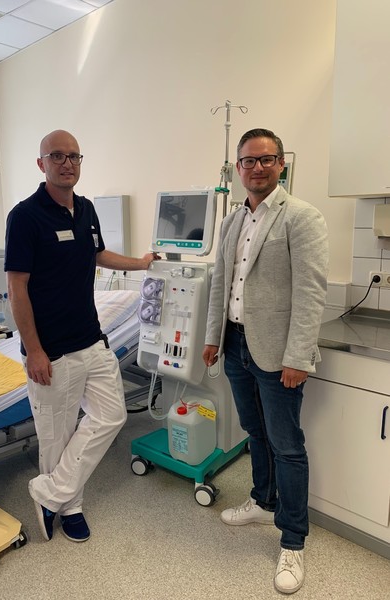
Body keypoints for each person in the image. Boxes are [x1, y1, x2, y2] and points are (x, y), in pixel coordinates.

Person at [5, 129, 159, 543]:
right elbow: (17, 286)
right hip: (51, 350)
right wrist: (34, 350)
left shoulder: (86, 208)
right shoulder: (25, 216)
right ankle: (70, 507)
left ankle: (49, 491)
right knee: (56, 437)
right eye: (57, 156)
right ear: (42, 164)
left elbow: (97, 254)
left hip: (92, 339)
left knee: (112, 414)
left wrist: (141, 263)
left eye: (74, 156)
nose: (67, 162)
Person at [203, 128, 328, 594]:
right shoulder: (232, 222)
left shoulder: (301, 217)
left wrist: (297, 357)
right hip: (235, 345)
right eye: (248, 161)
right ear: (238, 169)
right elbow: (221, 283)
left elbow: (311, 293)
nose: (257, 168)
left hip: (279, 356)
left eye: (267, 159)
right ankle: (262, 499)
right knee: (254, 432)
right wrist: (213, 337)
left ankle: (293, 540)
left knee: (287, 445)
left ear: (281, 165)